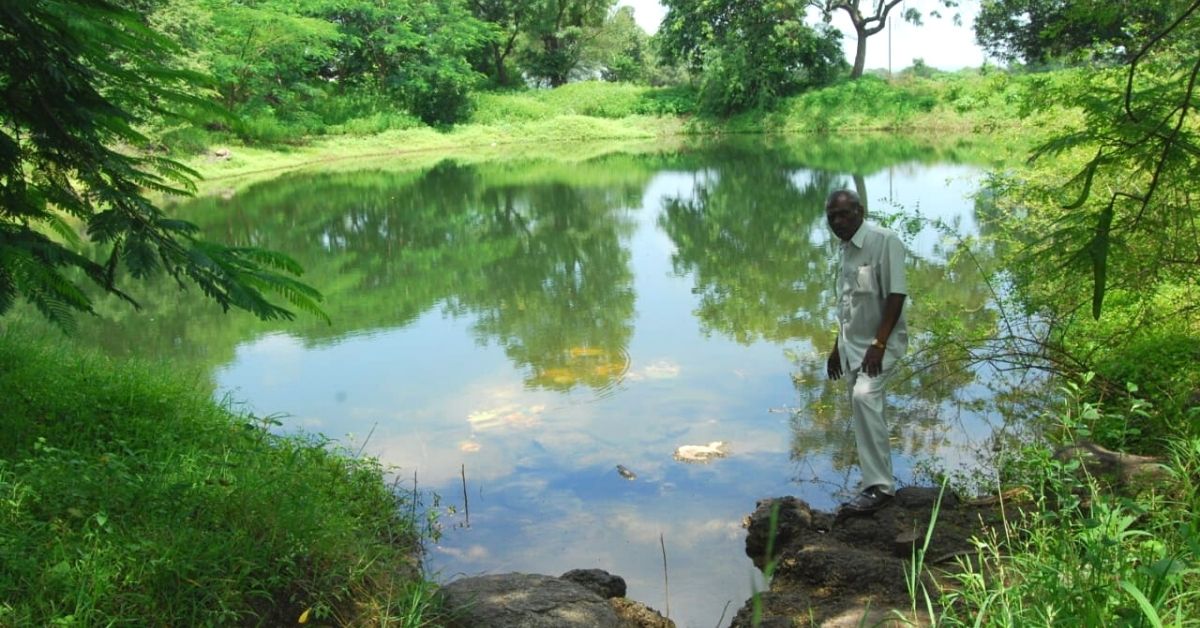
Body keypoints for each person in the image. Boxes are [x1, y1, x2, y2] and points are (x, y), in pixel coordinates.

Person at [824, 189, 908, 513]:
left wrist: (879, 344)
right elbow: (847, 304)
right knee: (863, 411)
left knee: (865, 398)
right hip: (851, 346)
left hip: (879, 345)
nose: (838, 221)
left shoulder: (884, 241)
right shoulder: (844, 250)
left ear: (860, 211)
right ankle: (874, 482)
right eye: (832, 216)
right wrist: (836, 348)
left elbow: (896, 294)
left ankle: (880, 488)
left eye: (844, 214)